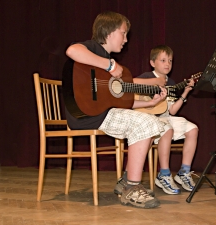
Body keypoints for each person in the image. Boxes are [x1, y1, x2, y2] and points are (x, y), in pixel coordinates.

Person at [64, 11, 170, 209]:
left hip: (103, 112)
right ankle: (131, 187)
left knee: (154, 123)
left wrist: (149, 103)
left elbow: (121, 103)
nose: (126, 39)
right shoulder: (94, 50)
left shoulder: (109, 68)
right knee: (146, 122)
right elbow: (72, 50)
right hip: (88, 114)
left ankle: (126, 180)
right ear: (110, 32)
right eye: (123, 33)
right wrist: (110, 65)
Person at [133, 45, 199, 194]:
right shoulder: (146, 77)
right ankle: (164, 174)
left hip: (166, 117)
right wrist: (153, 85)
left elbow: (171, 110)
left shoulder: (172, 83)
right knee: (167, 130)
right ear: (152, 63)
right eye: (163, 60)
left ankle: (184, 172)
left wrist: (185, 92)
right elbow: (131, 83)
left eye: (170, 60)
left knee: (193, 129)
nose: (167, 64)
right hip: (150, 119)